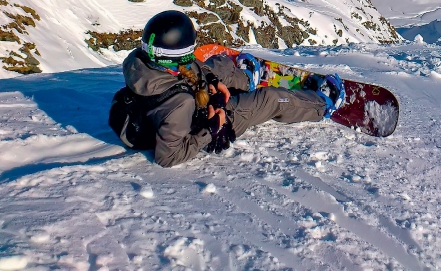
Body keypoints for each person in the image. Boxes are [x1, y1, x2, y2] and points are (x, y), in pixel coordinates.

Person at [122, 10, 345, 167]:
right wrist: (211, 129)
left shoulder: (139, 61)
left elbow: (188, 66)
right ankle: (322, 104)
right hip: (209, 121)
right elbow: (168, 156)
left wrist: (210, 79)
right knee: (270, 99)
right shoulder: (180, 104)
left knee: (218, 65)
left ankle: (246, 78)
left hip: (189, 97)